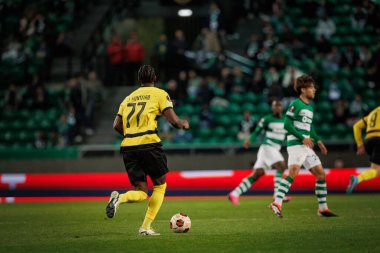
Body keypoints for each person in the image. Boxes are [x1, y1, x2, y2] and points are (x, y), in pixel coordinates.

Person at [106, 65, 190, 235]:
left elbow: (116, 125)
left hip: (128, 146)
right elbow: (173, 120)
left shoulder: (128, 98)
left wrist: (131, 135)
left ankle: (119, 198)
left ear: (139, 79)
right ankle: (145, 227)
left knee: (142, 192)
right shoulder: (160, 94)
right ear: (155, 78)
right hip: (149, 144)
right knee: (160, 186)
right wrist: (183, 124)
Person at [269, 75, 337, 218]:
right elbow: (287, 124)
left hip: (306, 146)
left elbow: (309, 127)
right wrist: (302, 137)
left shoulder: (310, 107)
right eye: (312, 87)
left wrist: (318, 141)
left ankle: (323, 209)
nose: (314, 90)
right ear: (303, 89)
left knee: (320, 175)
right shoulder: (296, 104)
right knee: (293, 172)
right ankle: (277, 202)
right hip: (296, 145)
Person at [228, 100, 290, 205]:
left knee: (257, 174)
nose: (277, 108)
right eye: (274, 106)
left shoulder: (286, 120)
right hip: (268, 147)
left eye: (279, 106)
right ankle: (278, 194)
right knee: (281, 165)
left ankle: (234, 194)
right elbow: (257, 131)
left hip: (272, 149)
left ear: (282, 107)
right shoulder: (267, 119)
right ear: (272, 108)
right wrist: (249, 140)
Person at [346, 106, 380, 193]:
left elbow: (356, 126)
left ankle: (357, 179)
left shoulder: (373, 113)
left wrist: (360, 144)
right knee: (376, 170)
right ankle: (357, 179)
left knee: (376, 170)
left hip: (369, 141)